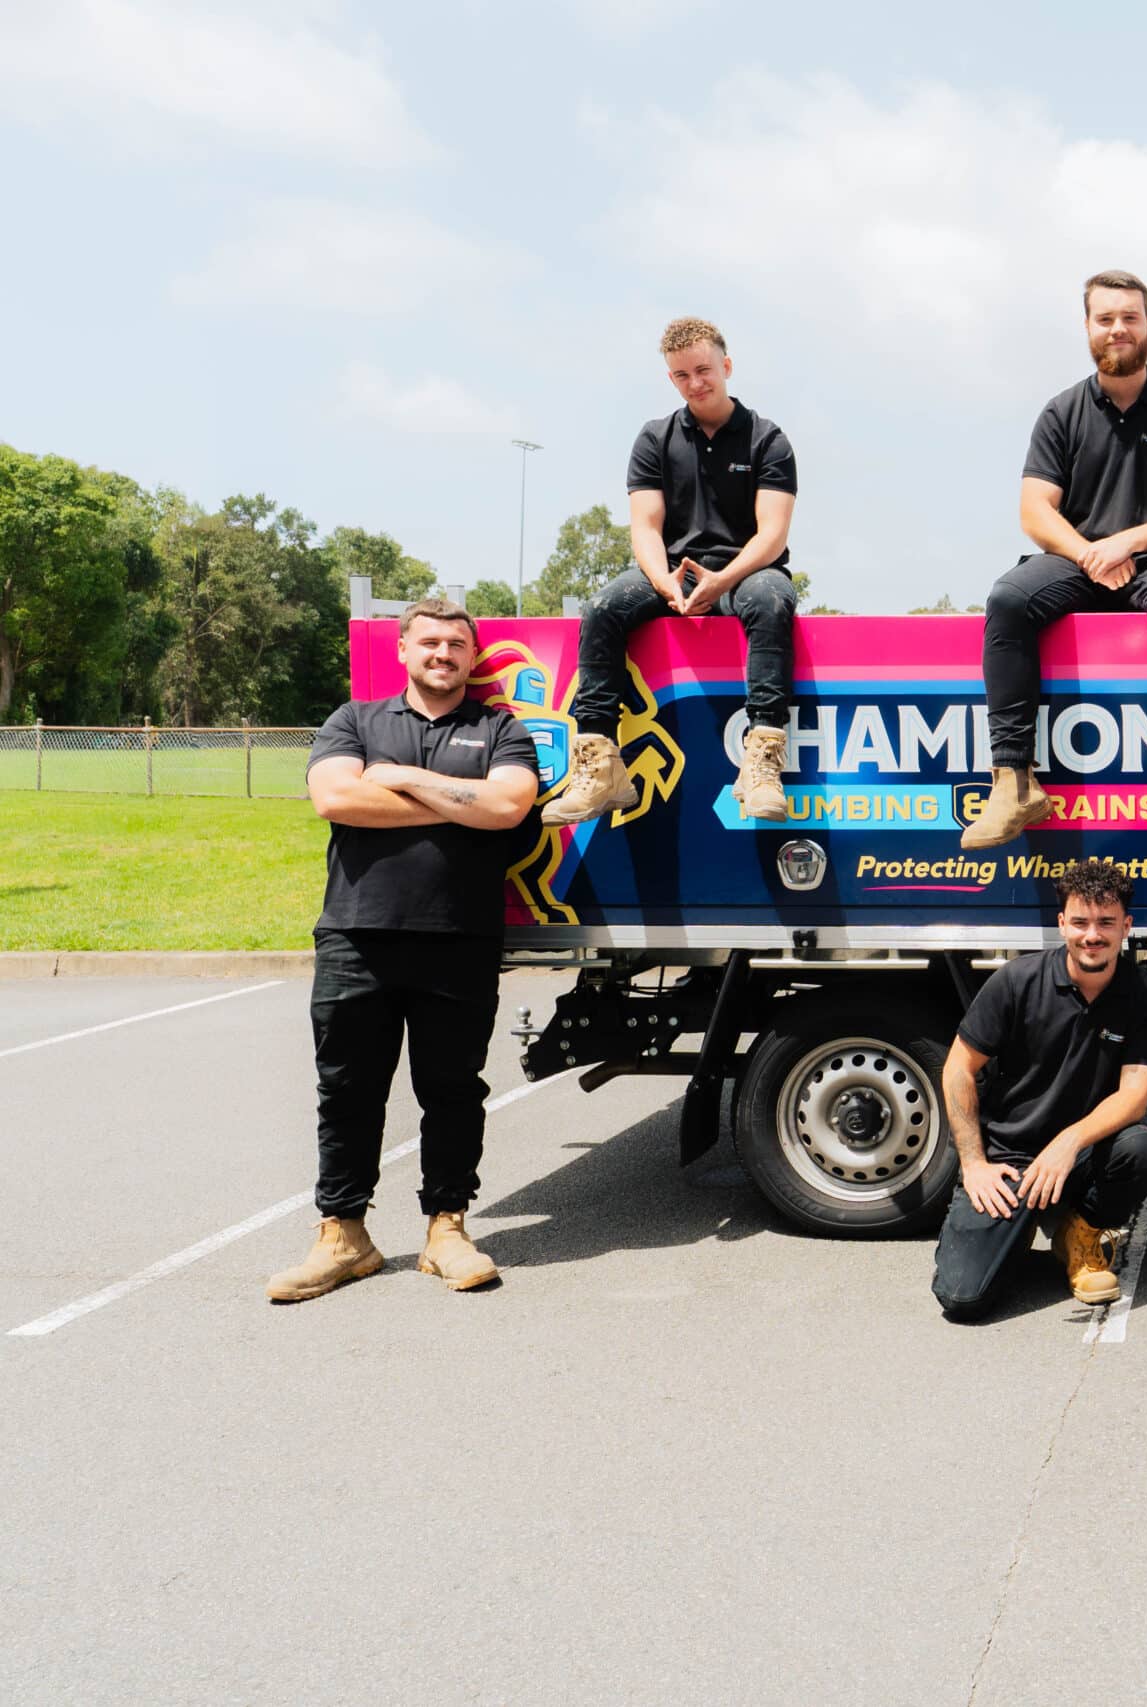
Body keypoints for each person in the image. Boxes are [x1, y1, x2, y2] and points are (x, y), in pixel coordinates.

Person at [267, 599, 540, 1302]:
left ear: (473, 657)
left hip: (460, 940)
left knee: (452, 1093)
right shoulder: (354, 720)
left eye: (457, 643)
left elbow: (508, 808)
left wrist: (398, 778)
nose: (443, 653)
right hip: (358, 937)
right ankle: (343, 1235)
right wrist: (459, 805)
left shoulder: (500, 727)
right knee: (348, 1092)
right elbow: (334, 798)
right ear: (403, 651)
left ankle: (445, 1230)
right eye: (430, 642)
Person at [964, 270, 1147, 852]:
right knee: (1007, 599)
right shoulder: (1061, 412)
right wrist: (1088, 551)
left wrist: (1126, 543)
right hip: (1077, 561)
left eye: (1129, 317)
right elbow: (1035, 512)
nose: (1118, 329)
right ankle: (1012, 781)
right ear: (1088, 328)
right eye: (1105, 318)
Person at [546, 316, 801, 825]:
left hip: (746, 570)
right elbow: (644, 527)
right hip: (670, 571)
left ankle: (762, 763)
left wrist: (722, 580)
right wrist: (665, 582)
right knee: (601, 608)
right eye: (682, 376)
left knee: (772, 598)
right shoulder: (653, 438)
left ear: (726, 366)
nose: (695, 383)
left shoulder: (768, 439)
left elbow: (772, 535)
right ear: (671, 379)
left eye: (704, 370)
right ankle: (600, 766)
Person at [933, 860, 1147, 1322]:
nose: (1092, 935)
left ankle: (1077, 1234)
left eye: (1106, 923)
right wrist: (974, 1163)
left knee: (1143, 1150)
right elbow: (958, 1068)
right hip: (1011, 1160)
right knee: (963, 1299)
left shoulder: (1145, 994)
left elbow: (1135, 1096)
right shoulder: (1016, 981)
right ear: (1061, 923)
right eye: (1080, 922)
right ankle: (1016, 1223)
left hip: (1082, 1157)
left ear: (1126, 926)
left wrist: (1068, 1142)